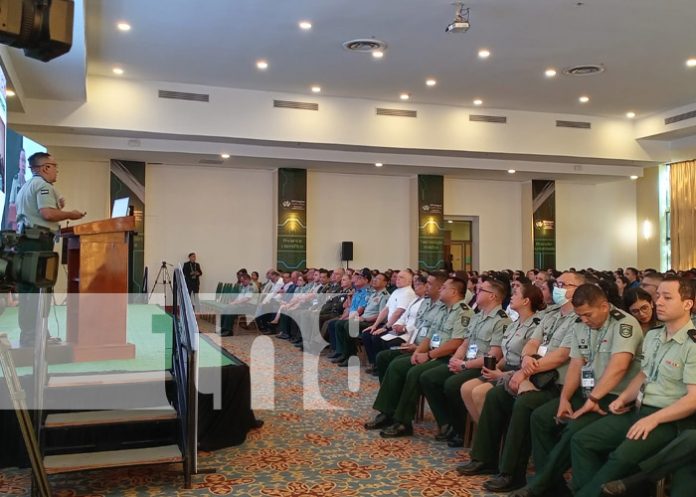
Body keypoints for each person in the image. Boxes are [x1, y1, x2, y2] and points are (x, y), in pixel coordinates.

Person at [510, 283, 643, 497]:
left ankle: (541, 486)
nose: (584, 320)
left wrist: (594, 398)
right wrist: (565, 399)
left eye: (588, 314)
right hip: (588, 393)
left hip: (615, 397)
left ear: (604, 306)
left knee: (574, 430)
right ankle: (553, 487)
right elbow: (576, 364)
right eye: (580, 315)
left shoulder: (624, 324)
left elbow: (619, 367)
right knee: (541, 417)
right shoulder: (581, 324)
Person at [569, 277, 696, 497]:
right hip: (638, 408)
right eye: (658, 296)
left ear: (687, 304)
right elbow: (644, 374)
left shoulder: (692, 344)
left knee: (621, 457)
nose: (659, 303)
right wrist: (623, 398)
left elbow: (692, 400)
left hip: (667, 417)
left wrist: (654, 419)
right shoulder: (654, 336)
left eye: (667, 297)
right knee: (583, 440)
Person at [460, 271, 584, 493]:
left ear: (579, 290)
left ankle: (512, 473)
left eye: (565, 284)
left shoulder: (580, 318)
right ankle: (485, 458)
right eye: (558, 283)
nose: (558, 288)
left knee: (525, 403)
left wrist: (525, 370)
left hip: (558, 383)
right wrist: (527, 365)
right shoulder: (551, 314)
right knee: (496, 396)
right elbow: (532, 343)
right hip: (535, 374)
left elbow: (561, 356)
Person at [364, 277, 472, 438]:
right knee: (395, 365)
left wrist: (428, 355)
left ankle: (403, 422)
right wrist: (418, 353)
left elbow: (456, 342)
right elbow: (429, 336)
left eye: (444, 287)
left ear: (454, 292)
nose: (440, 289)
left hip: (445, 356)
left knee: (414, 373)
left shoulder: (464, 312)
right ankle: (388, 412)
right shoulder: (443, 309)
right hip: (431, 353)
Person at [419, 277, 511, 447]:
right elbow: (465, 343)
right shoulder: (478, 315)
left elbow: (494, 356)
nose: (476, 291)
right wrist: (456, 359)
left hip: (482, 366)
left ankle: (461, 430)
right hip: (466, 362)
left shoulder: (502, 319)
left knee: (452, 384)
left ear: (493, 296)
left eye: (481, 290)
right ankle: (449, 423)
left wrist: (464, 365)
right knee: (430, 377)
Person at [16, 152, 86, 347]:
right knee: (40, 289)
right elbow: (46, 213)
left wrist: (58, 203)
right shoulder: (43, 185)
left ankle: (31, 335)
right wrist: (70, 214)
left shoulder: (26, 186)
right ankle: (36, 336)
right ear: (45, 168)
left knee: (29, 290)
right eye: (55, 166)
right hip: (38, 244)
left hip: (27, 243)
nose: (57, 170)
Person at [7, 148, 27, 230]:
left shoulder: (27, 183)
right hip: (16, 219)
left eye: (25, 161)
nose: (23, 164)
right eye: (22, 160)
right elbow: (11, 203)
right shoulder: (15, 180)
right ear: (18, 162)